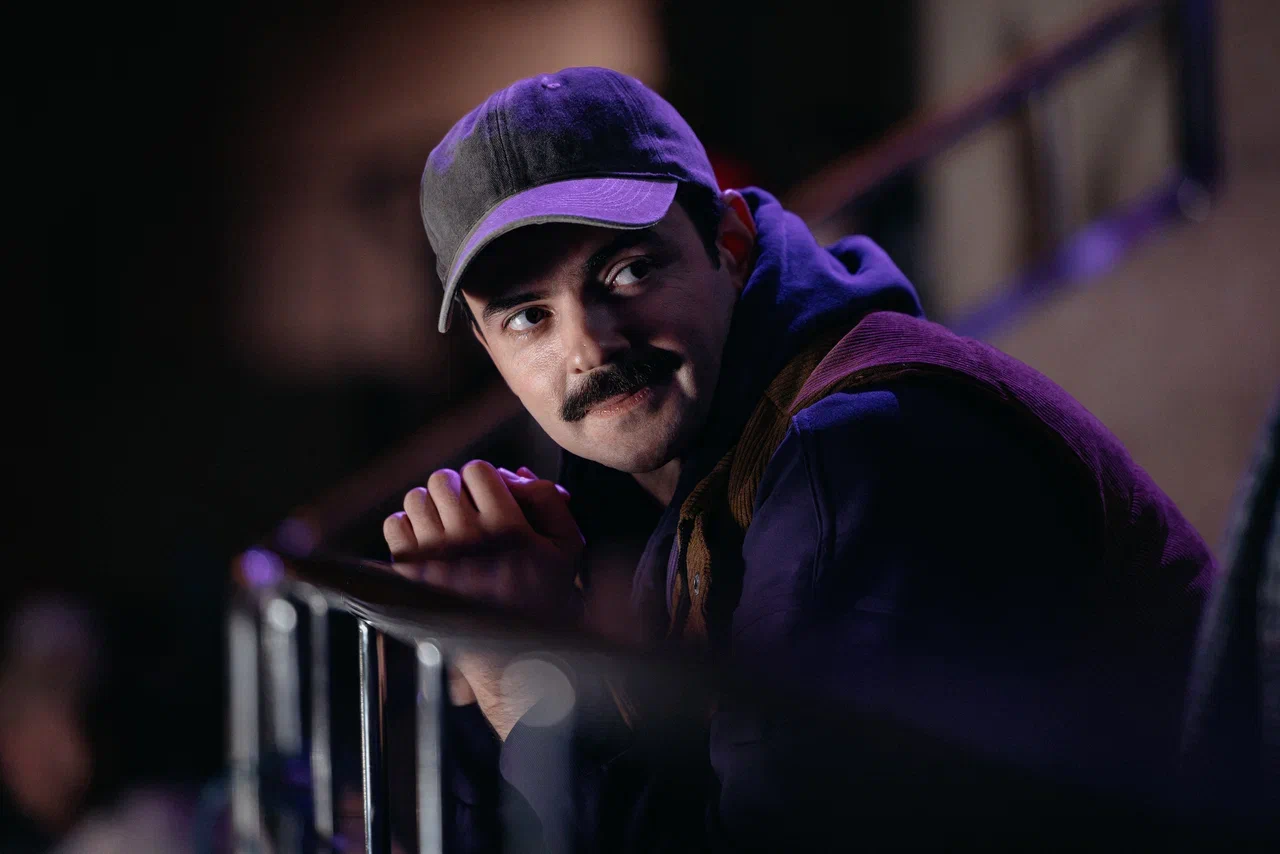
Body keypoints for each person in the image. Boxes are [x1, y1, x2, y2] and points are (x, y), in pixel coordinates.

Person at [382, 66, 1216, 850]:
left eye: (629, 270)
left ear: (731, 243)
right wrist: (468, 678)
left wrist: (518, 675)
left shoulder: (852, 455)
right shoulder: (694, 468)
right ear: (489, 347)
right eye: (529, 317)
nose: (590, 347)